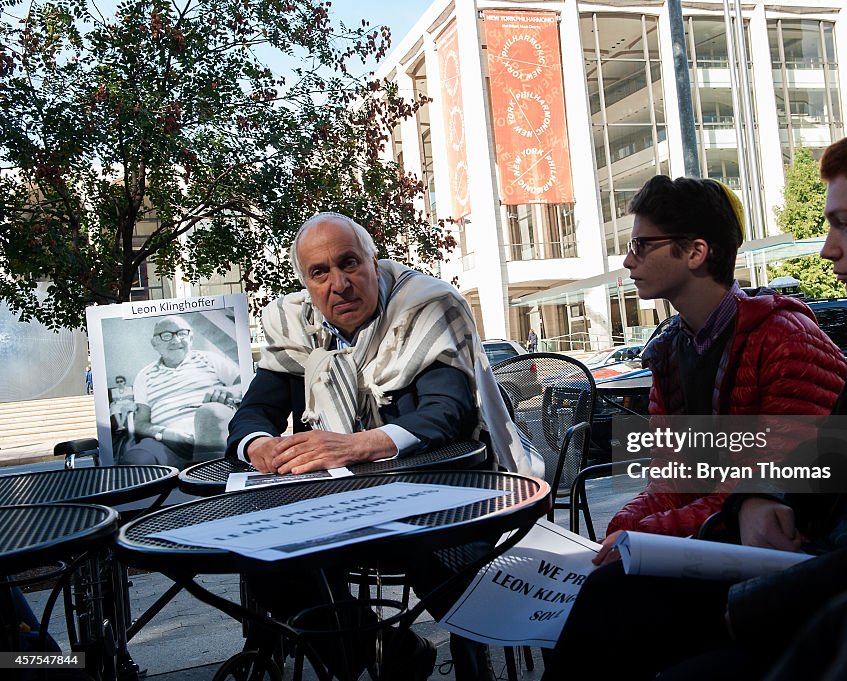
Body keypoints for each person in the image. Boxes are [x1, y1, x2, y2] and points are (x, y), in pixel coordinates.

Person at [545, 117, 847, 681]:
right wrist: (757, 498)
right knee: (608, 599)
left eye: (846, 225)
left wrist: (769, 586)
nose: (826, 250)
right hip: (818, 571)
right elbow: (835, 456)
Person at [228, 212, 539, 681]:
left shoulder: (426, 306)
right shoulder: (294, 328)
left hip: (441, 497)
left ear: (375, 263)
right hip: (336, 509)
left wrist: (357, 445)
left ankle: (479, 643)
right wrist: (259, 445)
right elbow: (253, 414)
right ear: (307, 284)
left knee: (437, 556)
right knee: (266, 560)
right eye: (320, 272)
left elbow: (447, 411)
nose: (339, 284)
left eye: (349, 263)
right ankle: (388, 653)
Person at [597, 176, 847, 548]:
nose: (628, 259)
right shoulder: (668, 351)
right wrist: (625, 524)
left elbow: (772, 489)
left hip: (792, 560)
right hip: (718, 542)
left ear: (696, 252)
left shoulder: (785, 338)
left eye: (642, 245)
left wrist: (643, 535)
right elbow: (672, 480)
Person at [122, 315, 241, 468]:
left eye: (181, 333)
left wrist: (231, 391)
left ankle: (209, 481)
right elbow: (140, 423)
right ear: (154, 343)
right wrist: (164, 434)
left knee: (211, 412)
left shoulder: (210, 359)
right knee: (137, 459)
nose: (176, 340)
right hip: (167, 443)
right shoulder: (144, 375)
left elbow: (245, 384)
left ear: (190, 338)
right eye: (166, 335)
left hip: (214, 434)